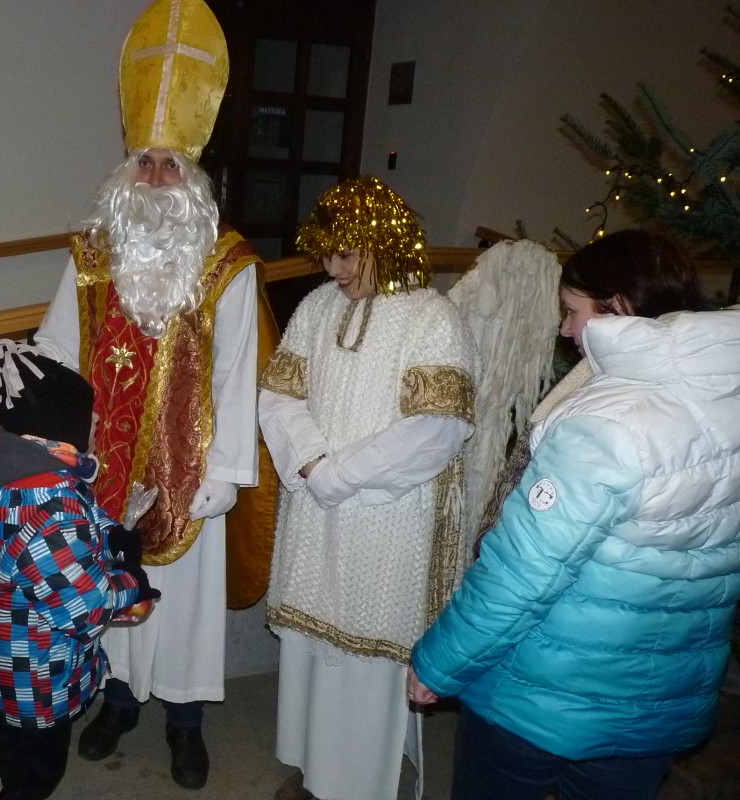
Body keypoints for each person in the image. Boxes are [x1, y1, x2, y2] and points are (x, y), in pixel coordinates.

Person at [22, 0, 263, 789]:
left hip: (186, 469)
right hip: (104, 467)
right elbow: (58, 347)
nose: (157, 177)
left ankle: (186, 723)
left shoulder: (227, 264)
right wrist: (15, 378)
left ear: (193, 181)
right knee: (111, 588)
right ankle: (120, 702)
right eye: (145, 163)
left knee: (183, 603)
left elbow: (236, 369)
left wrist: (221, 474)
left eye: (172, 166)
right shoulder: (91, 254)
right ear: (124, 175)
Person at [408, 229, 739, 800]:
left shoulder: (605, 422)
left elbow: (522, 574)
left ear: (619, 308)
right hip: (658, 706)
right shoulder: (725, 397)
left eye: (572, 311)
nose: (564, 329)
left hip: (541, 698)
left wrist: (439, 664)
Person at [258, 176, 476, 800]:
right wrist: (309, 464)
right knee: (310, 648)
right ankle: (311, 768)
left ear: (385, 243)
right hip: (317, 504)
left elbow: (437, 429)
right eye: (328, 253)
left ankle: (354, 784)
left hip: (386, 514)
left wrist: (339, 474)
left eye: (348, 253)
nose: (334, 267)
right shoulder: (318, 307)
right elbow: (279, 396)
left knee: (363, 659)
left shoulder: (433, 319)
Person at [0, 341, 159, 800]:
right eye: (88, 416)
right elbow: (87, 607)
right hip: (35, 676)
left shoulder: (28, 477)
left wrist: (114, 533)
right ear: (59, 426)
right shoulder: (48, 512)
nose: (96, 423)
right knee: (30, 775)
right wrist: (131, 581)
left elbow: (81, 526)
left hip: (7, 659)